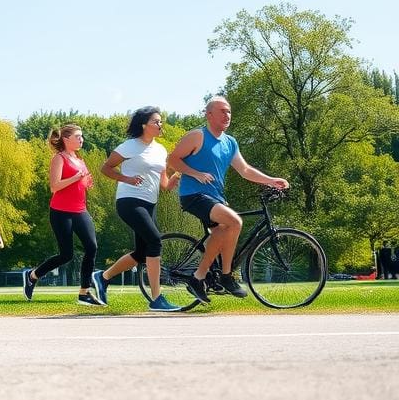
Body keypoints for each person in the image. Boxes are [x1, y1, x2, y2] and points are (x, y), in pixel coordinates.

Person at [167, 96, 289, 303]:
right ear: (209, 114)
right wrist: (195, 173)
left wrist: (271, 181)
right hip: (193, 195)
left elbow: (245, 170)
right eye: (222, 111)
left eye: (229, 111)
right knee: (235, 221)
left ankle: (210, 277)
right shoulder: (198, 136)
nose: (227, 115)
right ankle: (221, 276)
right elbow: (172, 159)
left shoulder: (230, 142)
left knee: (224, 232)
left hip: (215, 198)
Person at [92, 108, 181, 312]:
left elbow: (164, 185)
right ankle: (157, 298)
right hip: (129, 201)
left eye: (161, 122)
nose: (160, 125)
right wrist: (127, 179)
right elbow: (106, 168)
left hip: (150, 203)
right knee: (155, 241)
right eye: (156, 121)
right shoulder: (129, 146)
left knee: (142, 252)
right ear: (144, 124)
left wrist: (176, 176)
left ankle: (103, 277)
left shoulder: (160, 150)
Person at [23, 124, 102, 306]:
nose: (81, 139)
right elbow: (54, 186)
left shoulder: (80, 160)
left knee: (91, 247)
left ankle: (84, 292)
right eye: (78, 136)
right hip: (60, 212)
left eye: (82, 136)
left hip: (80, 210)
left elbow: (82, 183)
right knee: (66, 255)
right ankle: (32, 275)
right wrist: (76, 178)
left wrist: (86, 182)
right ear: (66, 139)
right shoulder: (59, 159)